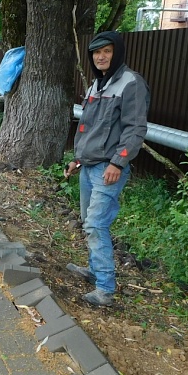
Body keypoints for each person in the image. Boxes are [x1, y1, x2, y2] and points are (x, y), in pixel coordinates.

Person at [64, 31, 150, 307]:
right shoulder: (95, 86)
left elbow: (135, 129)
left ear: (118, 53)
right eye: (96, 52)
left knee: (96, 224)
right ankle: (93, 270)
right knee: (90, 222)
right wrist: (77, 158)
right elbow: (87, 127)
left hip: (108, 168)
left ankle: (105, 290)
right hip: (88, 166)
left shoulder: (130, 83)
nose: (100, 57)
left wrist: (118, 162)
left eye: (107, 51)